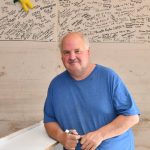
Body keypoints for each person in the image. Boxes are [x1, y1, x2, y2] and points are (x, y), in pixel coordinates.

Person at [43, 32, 140, 150]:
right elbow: (49, 121)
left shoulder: (108, 77)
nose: (72, 57)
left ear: (88, 52)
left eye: (77, 51)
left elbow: (131, 117)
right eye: (66, 52)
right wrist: (62, 136)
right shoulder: (56, 85)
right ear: (61, 56)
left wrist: (100, 134)